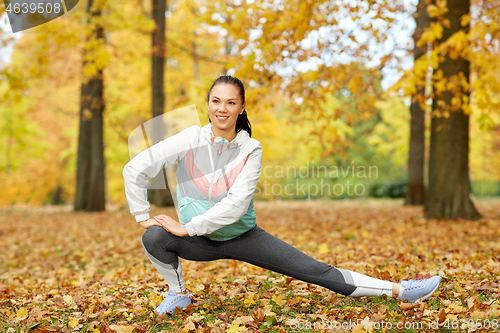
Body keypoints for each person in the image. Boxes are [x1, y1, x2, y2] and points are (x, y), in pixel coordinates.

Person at [122, 75, 442, 315]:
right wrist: (141, 215)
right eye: (216, 101)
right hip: (199, 242)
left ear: (241, 107)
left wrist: (186, 227)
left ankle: (402, 290)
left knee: (317, 271)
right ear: (208, 105)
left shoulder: (251, 149)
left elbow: (235, 207)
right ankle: (178, 292)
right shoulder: (188, 139)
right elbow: (135, 169)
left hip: (242, 235)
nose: (222, 108)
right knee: (154, 237)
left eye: (231, 102)